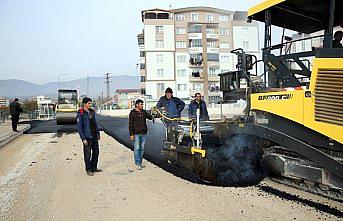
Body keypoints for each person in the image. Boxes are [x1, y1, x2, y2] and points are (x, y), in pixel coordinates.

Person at [76, 97, 101, 176]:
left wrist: (98, 133)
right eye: (89, 103)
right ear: (84, 104)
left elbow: (95, 123)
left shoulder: (92, 112)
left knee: (96, 152)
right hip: (87, 136)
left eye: (91, 103)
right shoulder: (81, 113)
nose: (90, 105)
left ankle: (94, 167)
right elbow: (79, 127)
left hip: (94, 135)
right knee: (87, 154)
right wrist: (83, 138)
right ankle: (88, 169)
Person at [129, 99, 153, 170]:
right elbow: (130, 125)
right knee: (137, 148)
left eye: (142, 104)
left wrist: (157, 115)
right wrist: (131, 134)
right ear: (137, 105)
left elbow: (150, 117)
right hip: (136, 134)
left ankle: (140, 162)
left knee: (142, 149)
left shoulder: (144, 112)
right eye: (141, 104)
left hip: (143, 133)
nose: (142, 105)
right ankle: (137, 163)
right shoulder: (132, 113)